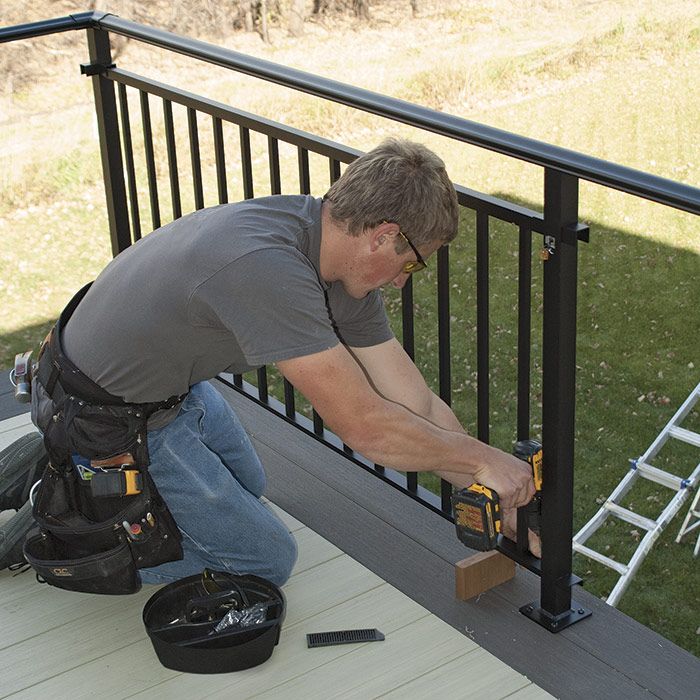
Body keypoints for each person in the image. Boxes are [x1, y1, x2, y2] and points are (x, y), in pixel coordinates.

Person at [17, 138, 536, 586]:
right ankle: (68, 526)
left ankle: (75, 477)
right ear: (382, 236)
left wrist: (490, 492)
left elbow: (412, 402)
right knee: (262, 559)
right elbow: (366, 427)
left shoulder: (332, 256)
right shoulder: (268, 270)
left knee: (251, 486)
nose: (402, 280)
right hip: (108, 416)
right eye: (410, 262)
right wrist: (479, 462)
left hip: (171, 389)